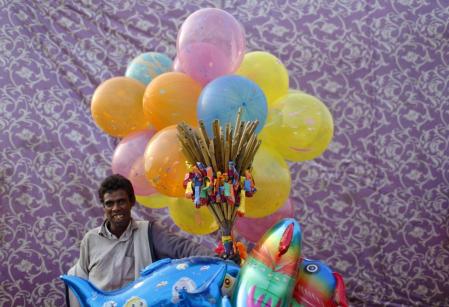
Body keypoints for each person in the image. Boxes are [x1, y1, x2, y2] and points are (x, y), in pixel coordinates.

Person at [67, 174, 214, 306]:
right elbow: (81, 283)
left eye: (121, 201)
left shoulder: (149, 232)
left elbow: (184, 248)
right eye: (109, 203)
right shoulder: (90, 240)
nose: (115, 208)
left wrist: (218, 259)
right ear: (103, 206)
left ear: (132, 202)